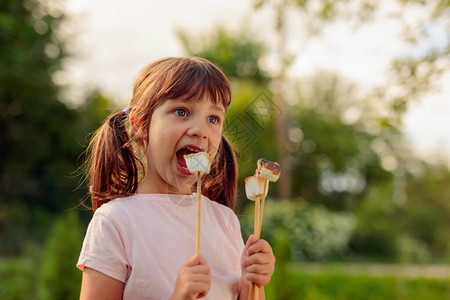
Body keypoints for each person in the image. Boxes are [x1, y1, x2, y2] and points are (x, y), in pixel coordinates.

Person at [77, 57, 275, 300]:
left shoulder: (225, 221)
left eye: (213, 118)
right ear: (140, 124)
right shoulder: (116, 222)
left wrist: (251, 283)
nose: (200, 130)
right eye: (182, 112)